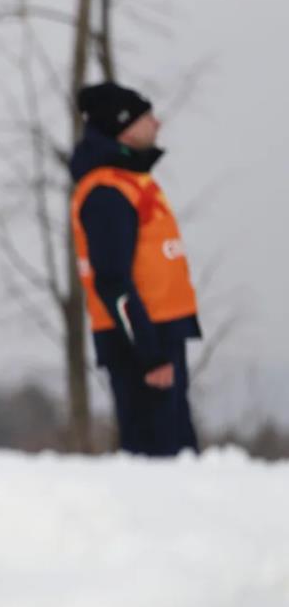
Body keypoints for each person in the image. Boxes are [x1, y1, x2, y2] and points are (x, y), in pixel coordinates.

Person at [71, 81, 201, 456]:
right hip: (143, 348)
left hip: (161, 337)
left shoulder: (133, 183)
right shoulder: (107, 193)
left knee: (181, 461)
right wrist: (150, 354)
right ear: (122, 125)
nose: (157, 124)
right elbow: (112, 281)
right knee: (160, 463)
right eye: (147, 117)